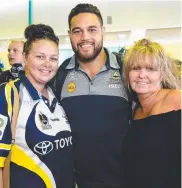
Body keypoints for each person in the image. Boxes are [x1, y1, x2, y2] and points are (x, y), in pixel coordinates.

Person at [53, 3, 130, 188]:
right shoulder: (60, 75)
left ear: (103, 31)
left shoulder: (126, 69)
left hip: (123, 179)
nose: (85, 37)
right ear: (70, 33)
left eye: (92, 29)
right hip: (75, 181)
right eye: (77, 31)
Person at [0, 24, 74, 188]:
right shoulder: (9, 95)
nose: (47, 64)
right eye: (40, 57)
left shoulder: (57, 94)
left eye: (53, 58)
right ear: (25, 57)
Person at [123, 38, 181, 188]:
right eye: (136, 68)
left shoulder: (176, 99)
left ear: (162, 73)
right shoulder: (135, 111)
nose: (142, 75)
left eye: (150, 69)